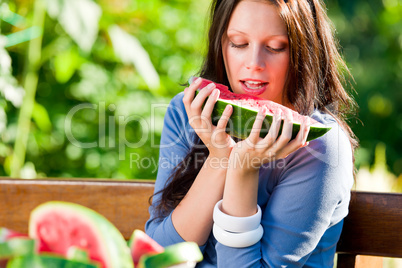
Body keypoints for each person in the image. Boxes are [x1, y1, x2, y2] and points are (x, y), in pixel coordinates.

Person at [145, 0, 358, 267]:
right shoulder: (188, 111)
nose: (254, 63)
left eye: (275, 47)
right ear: (220, 44)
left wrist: (243, 170)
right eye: (238, 43)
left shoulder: (319, 145)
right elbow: (158, 257)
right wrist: (219, 158)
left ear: (305, 51)